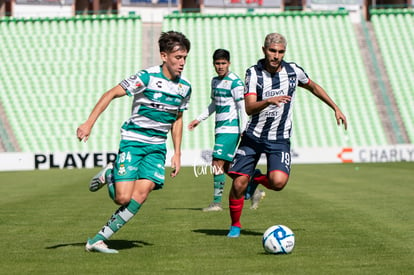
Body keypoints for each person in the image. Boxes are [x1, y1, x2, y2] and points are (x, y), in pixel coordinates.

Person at [76, 31, 192, 253]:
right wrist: (88, 123)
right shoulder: (146, 77)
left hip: (157, 146)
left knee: (141, 194)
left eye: (185, 58)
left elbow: (178, 118)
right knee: (122, 198)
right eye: (178, 57)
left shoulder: (185, 87)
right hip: (133, 141)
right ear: (164, 56)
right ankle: (110, 175)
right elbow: (110, 93)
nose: (182, 63)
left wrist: (177, 152)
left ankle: (97, 240)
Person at [226, 33, 347, 238]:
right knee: (238, 183)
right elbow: (249, 108)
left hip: (279, 138)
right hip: (253, 137)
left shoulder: (293, 71)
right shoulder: (253, 73)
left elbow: (314, 87)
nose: (276, 56)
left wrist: (335, 107)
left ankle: (256, 178)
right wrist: (269, 100)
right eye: (272, 51)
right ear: (264, 50)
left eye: (281, 52)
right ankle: (235, 225)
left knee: (278, 183)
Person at [188, 49, 265, 212]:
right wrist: (198, 119)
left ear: (229, 63)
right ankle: (252, 186)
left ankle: (216, 203)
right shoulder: (215, 81)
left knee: (216, 162)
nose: (220, 66)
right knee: (225, 166)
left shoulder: (235, 82)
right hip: (219, 129)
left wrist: (244, 128)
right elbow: (214, 104)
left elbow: (241, 107)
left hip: (231, 129)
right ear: (213, 64)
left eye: (223, 63)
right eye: (217, 63)